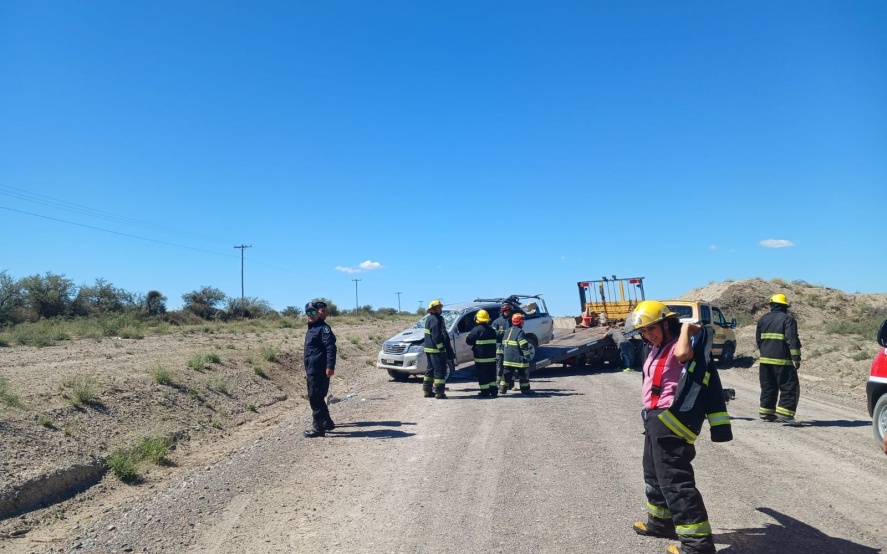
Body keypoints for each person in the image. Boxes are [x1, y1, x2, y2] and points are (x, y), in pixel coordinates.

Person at [627, 300, 732, 554]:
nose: (648, 335)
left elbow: (683, 355)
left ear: (666, 324)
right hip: (653, 419)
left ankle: (697, 546)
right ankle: (661, 523)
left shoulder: (680, 345)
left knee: (675, 481)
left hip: (671, 421)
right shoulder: (654, 347)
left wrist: (685, 328)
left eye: (652, 328)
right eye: (643, 331)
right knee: (653, 474)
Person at [756, 293, 802, 424]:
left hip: (765, 361)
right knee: (789, 387)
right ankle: (785, 414)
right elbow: (792, 339)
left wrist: (765, 352)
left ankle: (766, 412)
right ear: (785, 306)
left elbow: (758, 340)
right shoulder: (788, 319)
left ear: (771, 305)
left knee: (768, 386)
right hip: (783, 361)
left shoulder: (762, 319)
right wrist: (796, 357)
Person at [302, 300, 337, 438]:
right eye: (308, 312)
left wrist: (330, 366)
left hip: (318, 369)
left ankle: (318, 428)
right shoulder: (312, 328)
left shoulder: (323, 328)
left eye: (313, 312)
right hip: (312, 368)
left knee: (314, 398)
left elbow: (331, 348)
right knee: (318, 396)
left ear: (318, 313)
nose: (311, 314)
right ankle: (327, 422)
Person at [423, 299, 455, 399]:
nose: (441, 309)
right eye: (439, 308)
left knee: (430, 370)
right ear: (433, 309)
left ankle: (427, 390)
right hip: (436, 350)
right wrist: (442, 349)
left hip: (430, 350)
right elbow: (436, 337)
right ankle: (439, 392)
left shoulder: (430, 318)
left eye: (440, 307)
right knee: (440, 371)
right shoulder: (435, 320)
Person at [500, 313, 535, 395]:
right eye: (522, 322)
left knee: (506, 374)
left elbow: (503, 344)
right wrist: (527, 355)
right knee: (523, 374)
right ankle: (525, 390)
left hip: (507, 359)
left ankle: (502, 389)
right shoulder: (520, 332)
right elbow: (523, 345)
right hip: (518, 358)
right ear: (519, 322)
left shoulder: (507, 330)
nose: (523, 323)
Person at [466, 309, 498, 397]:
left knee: (482, 375)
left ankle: (485, 392)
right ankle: (494, 391)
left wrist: (468, 337)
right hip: (491, 358)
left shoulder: (476, 330)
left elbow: (469, 341)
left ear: (477, 319)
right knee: (492, 374)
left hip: (480, 359)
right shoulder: (492, 330)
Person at [491, 303, 513, 388]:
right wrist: (503, 333)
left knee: (510, 366)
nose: (507, 312)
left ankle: (510, 384)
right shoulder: (497, 322)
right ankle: (498, 383)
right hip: (500, 347)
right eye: (505, 311)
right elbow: (492, 333)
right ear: (502, 311)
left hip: (510, 348)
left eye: (508, 311)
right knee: (499, 366)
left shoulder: (513, 320)